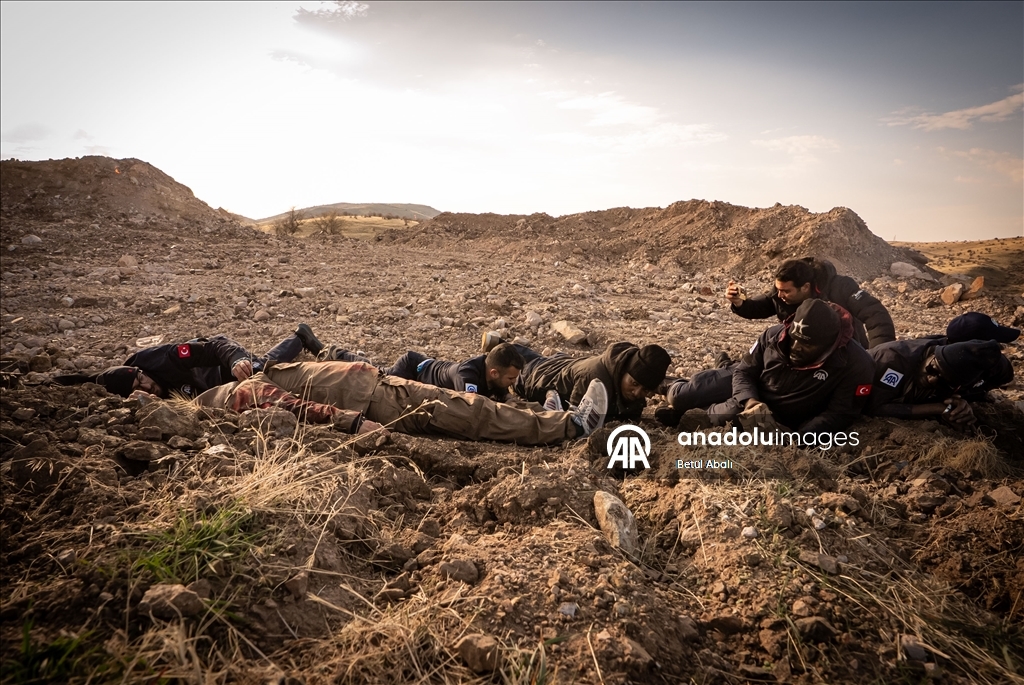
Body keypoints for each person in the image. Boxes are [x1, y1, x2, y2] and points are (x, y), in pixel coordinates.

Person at [191, 360, 609, 446]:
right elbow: (295, 407)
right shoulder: (240, 394)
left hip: (377, 390)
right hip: (378, 400)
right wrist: (354, 424)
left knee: (469, 412)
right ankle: (570, 426)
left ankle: (551, 415)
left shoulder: (257, 377)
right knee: (471, 412)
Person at [670, 299, 875, 432]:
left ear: (828, 344)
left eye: (807, 345)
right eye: (794, 339)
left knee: (724, 419)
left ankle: (696, 413)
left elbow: (840, 413)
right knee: (681, 397)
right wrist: (750, 401)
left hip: (787, 413)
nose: (795, 347)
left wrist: (798, 438)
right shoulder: (774, 335)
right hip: (753, 385)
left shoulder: (856, 365)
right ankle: (666, 383)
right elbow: (744, 371)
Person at [70, 324, 327, 399]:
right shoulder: (138, 396)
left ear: (140, 370)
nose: (146, 388)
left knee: (258, 371)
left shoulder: (165, 358)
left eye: (142, 380)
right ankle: (300, 338)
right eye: (137, 391)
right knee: (260, 365)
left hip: (212, 363)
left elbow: (216, 346)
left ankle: (308, 347)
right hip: (202, 388)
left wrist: (237, 360)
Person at [481, 334, 671, 422]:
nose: (637, 393)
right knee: (522, 364)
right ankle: (499, 348)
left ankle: (500, 342)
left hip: (564, 363)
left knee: (538, 358)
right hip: (537, 378)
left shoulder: (622, 373)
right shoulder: (594, 380)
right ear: (623, 373)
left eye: (644, 390)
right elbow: (575, 420)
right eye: (634, 384)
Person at [726, 257, 895, 349]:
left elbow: (875, 314)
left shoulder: (840, 287)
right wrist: (739, 303)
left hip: (843, 352)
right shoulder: (783, 291)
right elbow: (760, 306)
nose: (779, 295)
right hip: (802, 354)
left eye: (785, 291)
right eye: (778, 290)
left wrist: (878, 354)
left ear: (805, 287)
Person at [866, 338, 1010, 426]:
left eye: (942, 381)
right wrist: (938, 408)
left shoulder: (958, 380)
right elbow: (876, 407)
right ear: (933, 354)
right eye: (932, 369)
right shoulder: (892, 360)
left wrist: (957, 406)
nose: (931, 378)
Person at [380, 343, 525, 402]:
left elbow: (505, 397)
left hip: (428, 365)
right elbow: (473, 405)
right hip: (412, 368)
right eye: (511, 378)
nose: (514, 382)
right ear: (494, 373)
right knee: (382, 382)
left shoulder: (495, 374)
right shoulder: (467, 376)